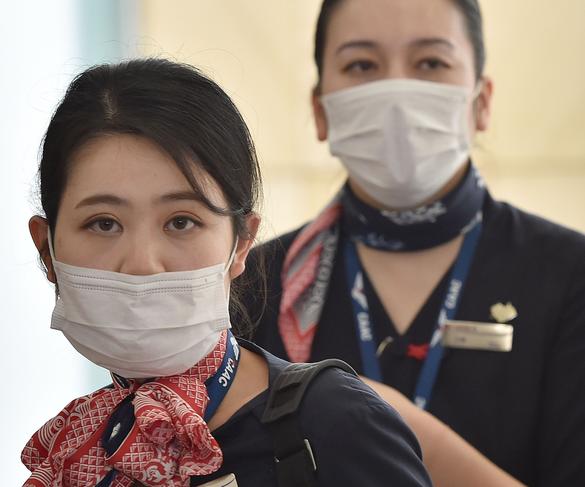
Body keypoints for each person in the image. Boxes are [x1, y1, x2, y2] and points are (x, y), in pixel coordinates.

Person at [22, 58, 431, 487]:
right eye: (103, 223)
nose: (142, 263)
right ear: (47, 250)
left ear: (241, 244)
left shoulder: (335, 425)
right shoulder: (76, 449)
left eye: (181, 222)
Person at [240, 1, 585, 486]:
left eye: (430, 63)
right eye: (362, 65)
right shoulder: (253, 284)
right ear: (321, 111)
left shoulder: (569, 275)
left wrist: (407, 431)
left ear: (481, 102)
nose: (396, 93)